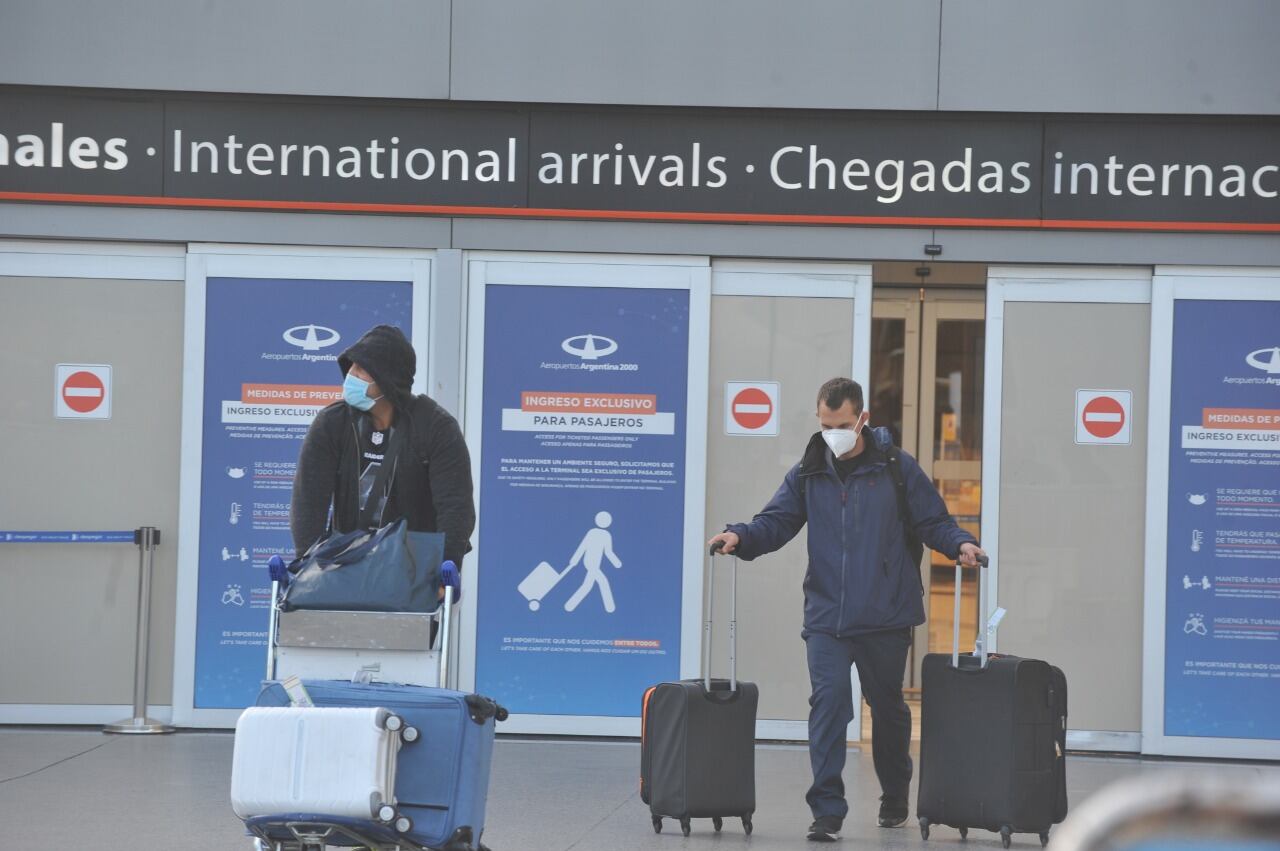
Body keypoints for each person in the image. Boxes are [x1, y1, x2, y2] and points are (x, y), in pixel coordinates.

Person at [708, 377, 985, 843]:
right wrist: (742, 536)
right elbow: (776, 521)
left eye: (840, 425)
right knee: (830, 703)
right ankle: (827, 811)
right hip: (827, 617)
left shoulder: (896, 468)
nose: (832, 433)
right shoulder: (810, 470)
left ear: (862, 421)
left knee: (889, 710)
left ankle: (895, 794)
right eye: (824, 424)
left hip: (885, 615)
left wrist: (960, 544)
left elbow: (932, 520)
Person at [290, 324, 476, 597]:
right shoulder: (332, 424)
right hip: (344, 566)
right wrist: (308, 565)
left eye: (361, 370)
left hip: (412, 570)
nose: (351, 375)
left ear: (386, 379)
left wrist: (445, 569)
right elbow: (308, 502)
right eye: (351, 367)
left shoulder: (436, 427)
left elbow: (455, 507)